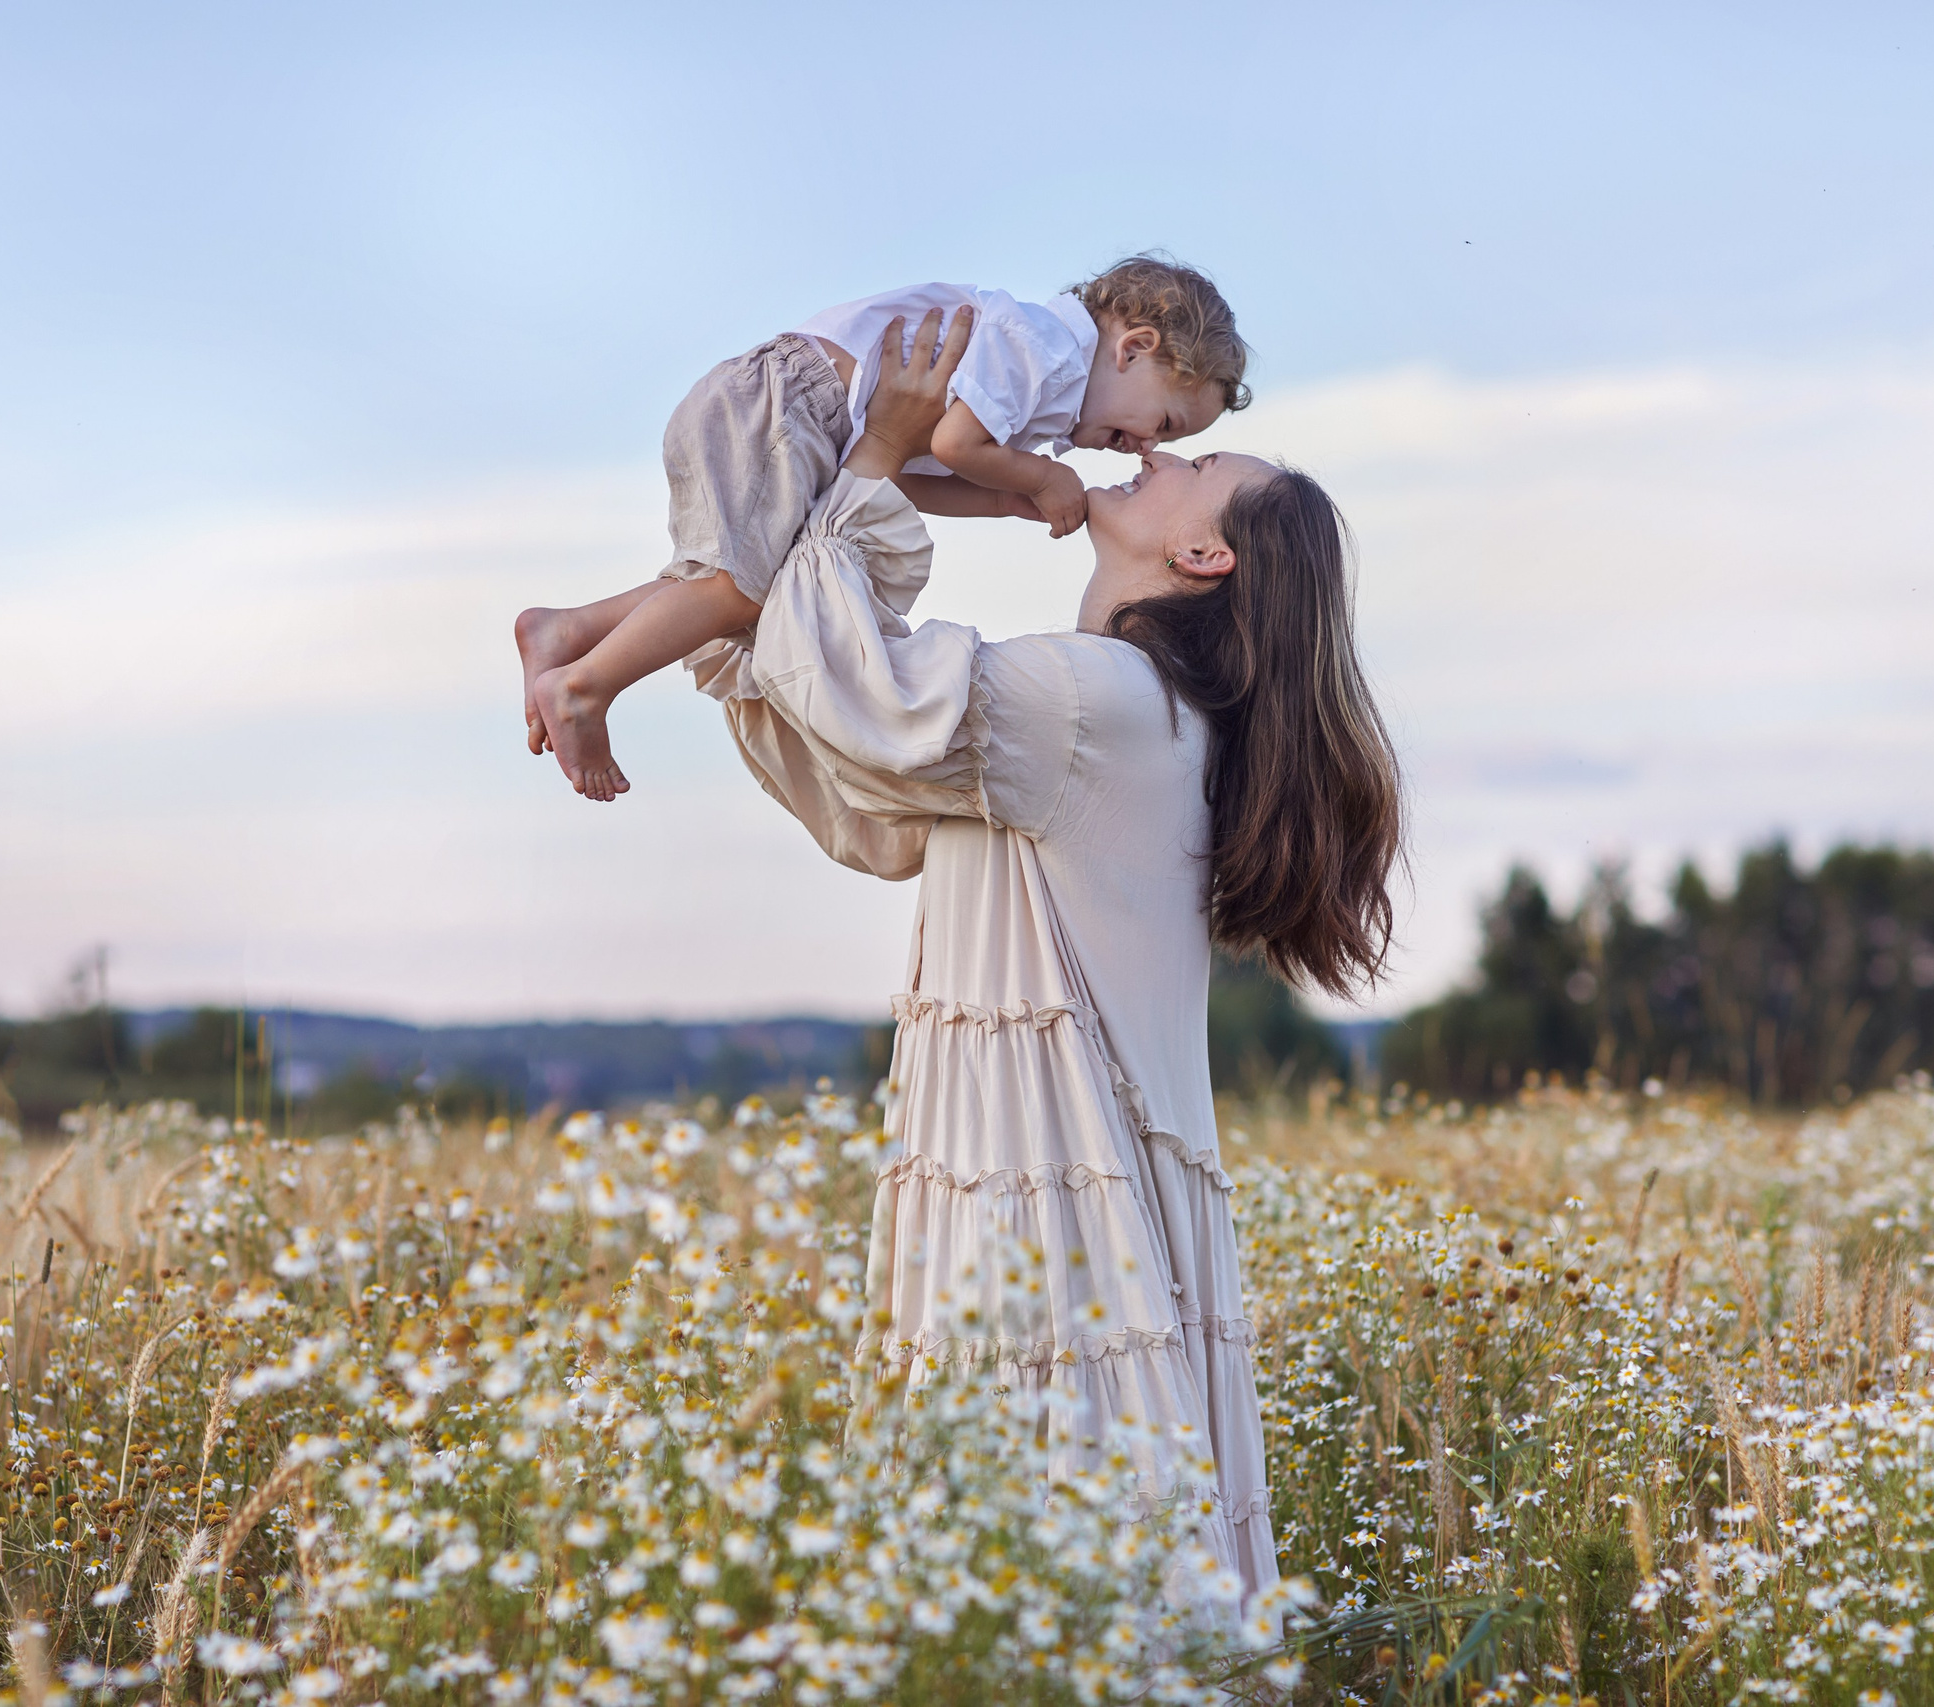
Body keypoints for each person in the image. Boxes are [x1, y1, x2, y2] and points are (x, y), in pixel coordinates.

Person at [684, 311, 1402, 1594]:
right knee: (1063, 1563)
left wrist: (864, 463)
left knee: (1031, 1560)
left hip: (1038, 1196)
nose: (1162, 458)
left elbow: (865, 699)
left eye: (1197, 470)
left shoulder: (1099, 702)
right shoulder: (1148, 716)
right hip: (1048, 1185)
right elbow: (867, 791)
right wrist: (747, 605)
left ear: (1199, 555)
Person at [517, 259, 1252, 800]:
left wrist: (1001, 501)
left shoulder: (1035, 392)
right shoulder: (1045, 349)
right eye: (1165, 423)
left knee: (734, 584)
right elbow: (960, 446)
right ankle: (586, 685)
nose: (1149, 448)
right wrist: (1034, 479)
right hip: (783, 404)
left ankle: (569, 629)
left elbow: (903, 470)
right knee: (735, 593)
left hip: (798, 419)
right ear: (1135, 347)